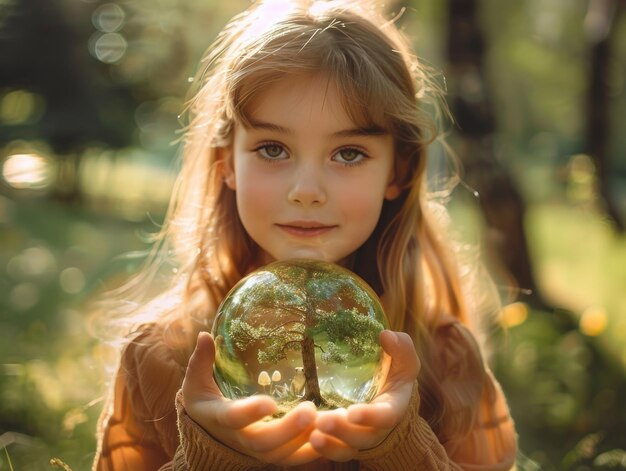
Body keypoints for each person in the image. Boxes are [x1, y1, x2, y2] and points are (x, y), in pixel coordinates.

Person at [92, 0, 518, 469]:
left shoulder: (446, 360)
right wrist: (211, 454)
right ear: (226, 162)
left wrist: (400, 448)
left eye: (349, 153)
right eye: (273, 148)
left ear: (397, 171)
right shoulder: (159, 358)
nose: (307, 191)